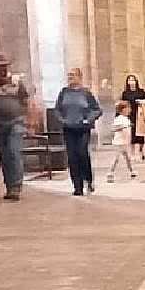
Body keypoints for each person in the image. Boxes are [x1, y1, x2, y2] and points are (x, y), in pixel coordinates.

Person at [0, 53, 37, 201]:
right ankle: (10, 186)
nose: (2, 69)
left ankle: (16, 186)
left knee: (13, 152)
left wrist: (31, 123)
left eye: (4, 66)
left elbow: (28, 102)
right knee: (4, 156)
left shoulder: (17, 83)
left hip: (16, 122)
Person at [54, 68, 102, 196]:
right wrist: (62, 120)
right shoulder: (64, 92)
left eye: (73, 75)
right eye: (69, 75)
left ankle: (88, 179)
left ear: (79, 77)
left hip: (83, 129)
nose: (70, 78)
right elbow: (57, 110)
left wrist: (88, 119)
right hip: (68, 128)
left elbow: (97, 110)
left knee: (82, 153)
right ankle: (77, 186)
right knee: (72, 157)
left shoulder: (85, 93)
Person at [121, 74, 145, 160]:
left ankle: (141, 150)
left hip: (140, 114)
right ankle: (132, 153)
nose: (131, 82)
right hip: (130, 114)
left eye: (133, 80)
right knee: (132, 134)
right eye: (130, 80)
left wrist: (141, 101)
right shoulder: (125, 93)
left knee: (141, 134)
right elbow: (123, 104)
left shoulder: (141, 92)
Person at [106, 101, 137, 183]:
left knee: (128, 158)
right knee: (116, 158)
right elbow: (113, 128)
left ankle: (131, 171)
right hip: (119, 142)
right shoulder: (119, 119)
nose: (130, 110)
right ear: (123, 109)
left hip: (125, 142)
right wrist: (122, 127)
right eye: (128, 108)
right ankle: (110, 173)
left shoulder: (126, 119)